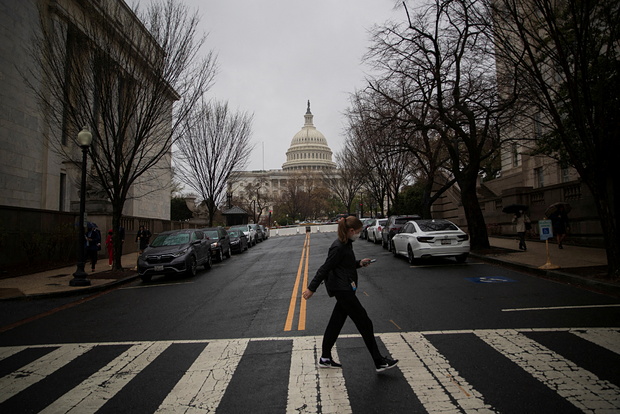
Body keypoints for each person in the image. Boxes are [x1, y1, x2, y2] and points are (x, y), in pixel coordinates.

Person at [302, 216, 399, 373]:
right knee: (365, 323)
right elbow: (324, 268)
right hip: (343, 291)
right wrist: (311, 288)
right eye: (358, 232)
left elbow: (345, 266)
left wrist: (359, 263)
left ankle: (325, 358)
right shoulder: (338, 247)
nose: (359, 235)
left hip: (345, 288)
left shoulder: (346, 244)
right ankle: (379, 361)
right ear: (350, 231)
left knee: (335, 324)